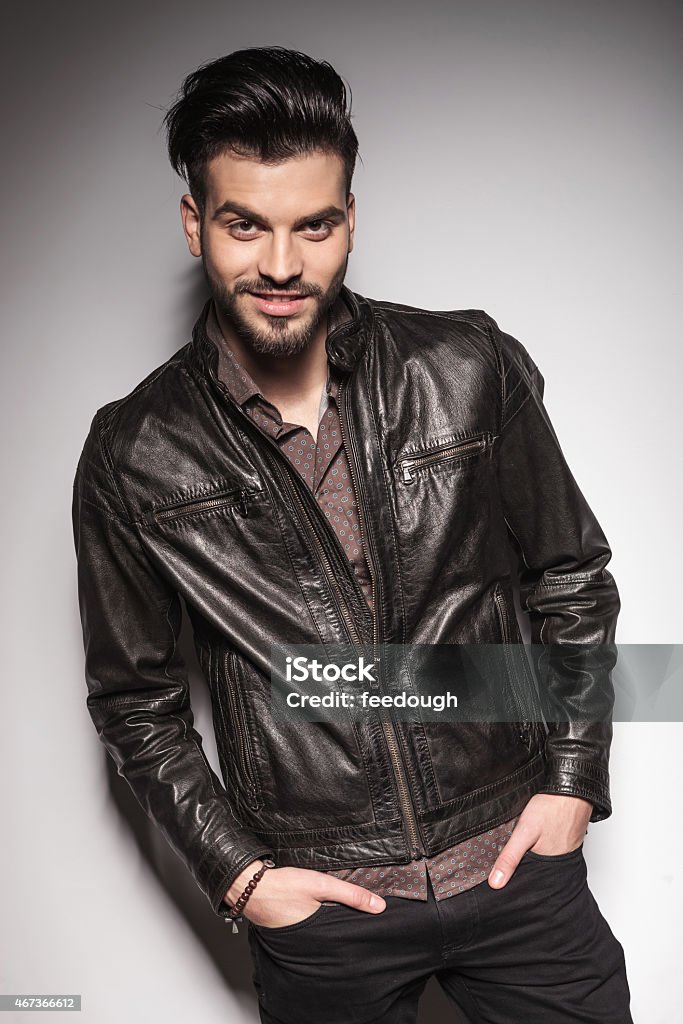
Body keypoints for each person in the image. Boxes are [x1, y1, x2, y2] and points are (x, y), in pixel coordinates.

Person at [72, 45, 633, 1023]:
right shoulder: (134, 454)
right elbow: (136, 705)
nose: (281, 265)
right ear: (193, 222)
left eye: (313, 225)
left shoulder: (465, 364)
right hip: (324, 914)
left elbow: (569, 576)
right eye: (244, 225)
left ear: (350, 221)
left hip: (515, 870)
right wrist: (242, 876)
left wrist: (573, 782)